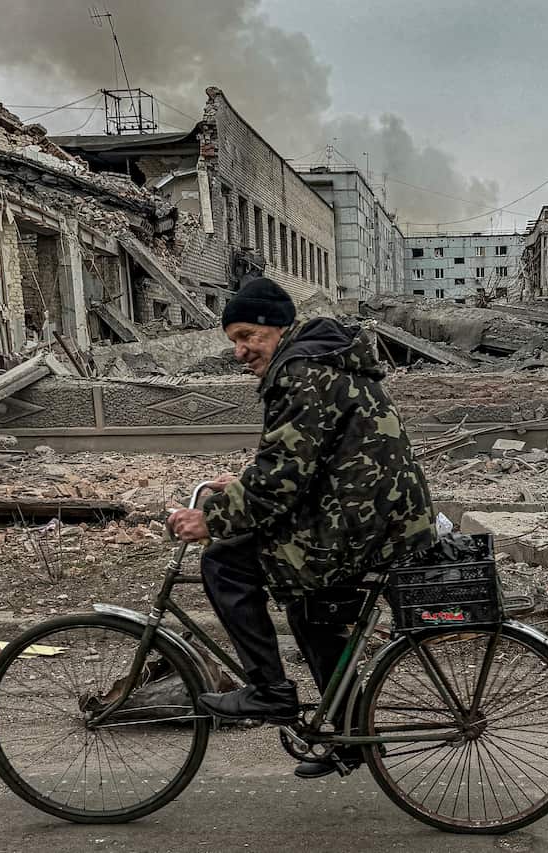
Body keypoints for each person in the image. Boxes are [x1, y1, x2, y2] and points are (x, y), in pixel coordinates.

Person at [166, 276, 435, 778]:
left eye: (248, 336)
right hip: (379, 518)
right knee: (308, 604)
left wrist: (214, 519)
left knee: (225, 562)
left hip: (362, 524)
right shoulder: (320, 361)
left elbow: (283, 478)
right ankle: (350, 735)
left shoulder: (302, 372)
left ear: (277, 327)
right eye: (234, 341)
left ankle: (269, 691)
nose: (241, 350)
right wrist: (243, 483)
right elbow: (303, 460)